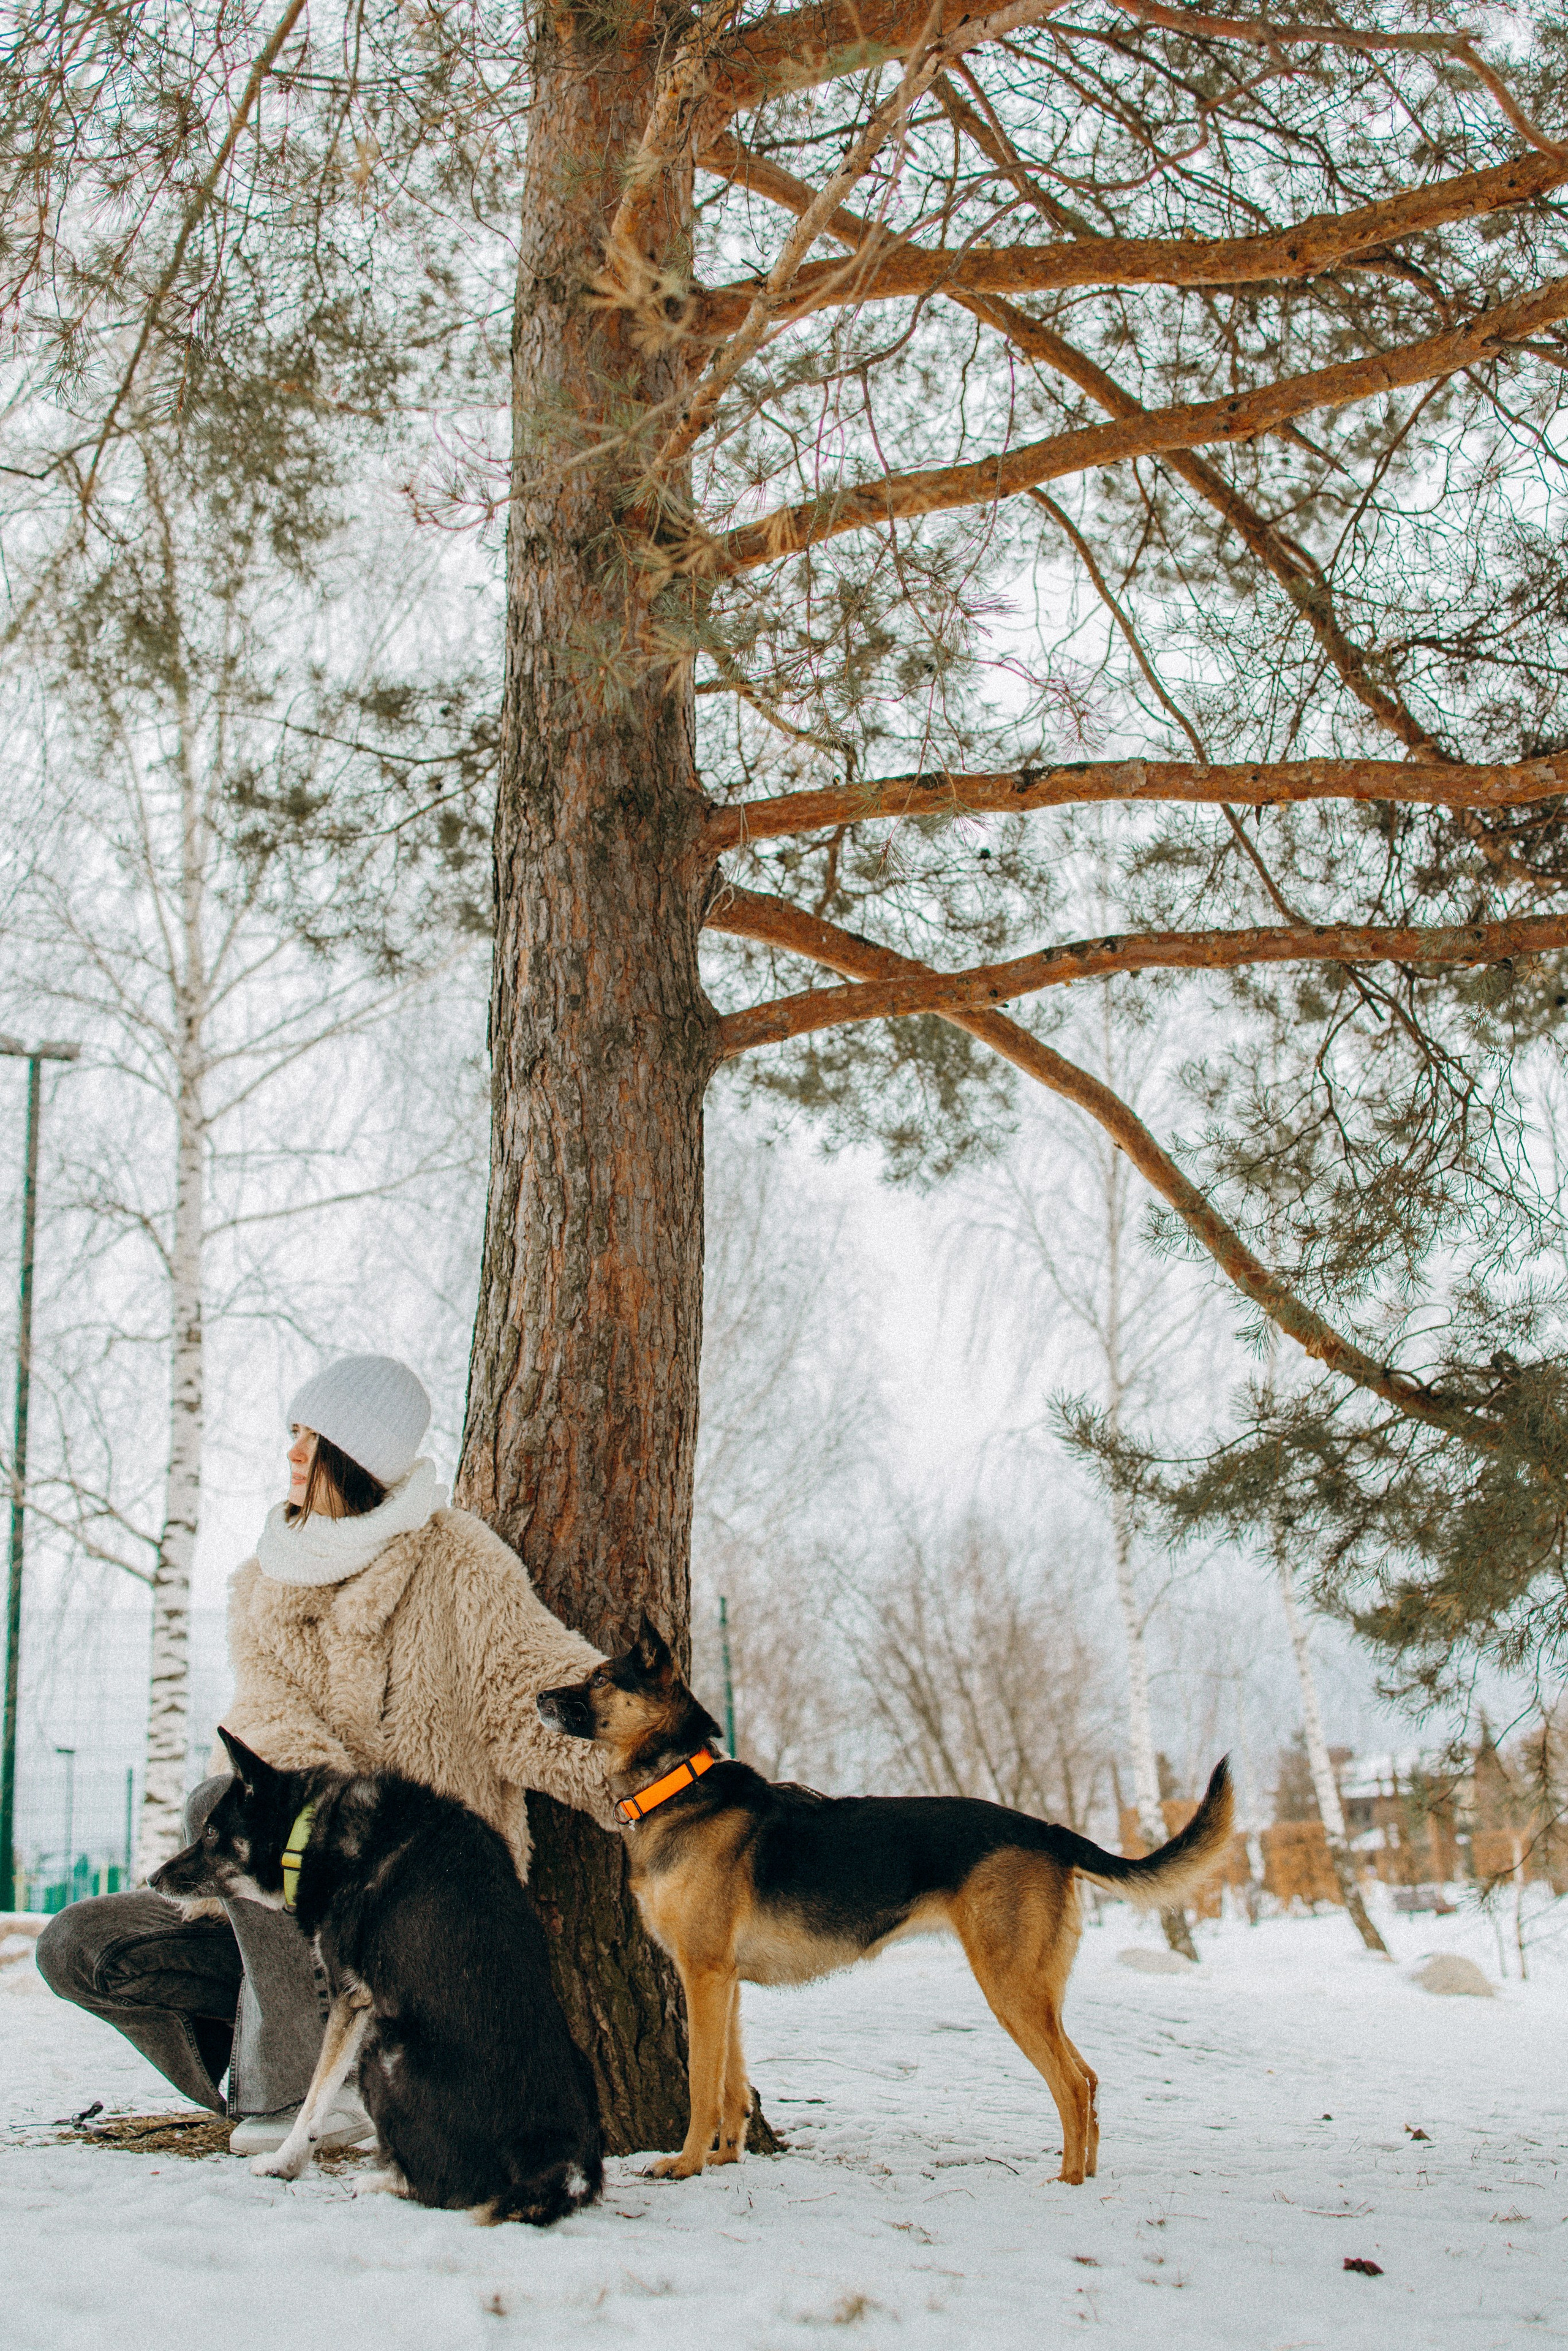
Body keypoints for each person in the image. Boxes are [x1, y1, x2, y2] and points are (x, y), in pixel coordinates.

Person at [37, 1353, 616, 2153]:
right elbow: (264, 1726)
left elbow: (535, 1689)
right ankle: (287, 2058)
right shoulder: (265, 1583)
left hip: (411, 1912)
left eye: (311, 1436)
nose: (293, 1453)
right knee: (76, 1946)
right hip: (282, 1913)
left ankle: (296, 2094)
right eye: (293, 1434)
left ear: (357, 1456)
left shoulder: (458, 1563)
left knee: (259, 1824)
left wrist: (664, 1768)